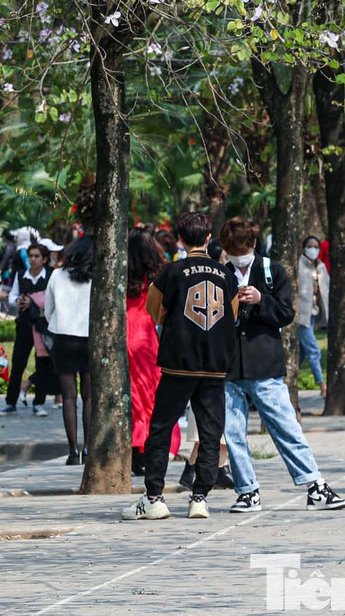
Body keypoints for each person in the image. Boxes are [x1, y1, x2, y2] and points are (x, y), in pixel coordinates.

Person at [217, 218, 345, 514]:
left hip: (264, 364)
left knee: (285, 427)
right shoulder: (220, 274)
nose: (237, 254)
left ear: (252, 244)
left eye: (241, 247)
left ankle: (315, 485)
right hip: (228, 367)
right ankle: (247, 491)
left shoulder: (270, 269)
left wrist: (261, 299)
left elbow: (286, 313)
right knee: (233, 433)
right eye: (231, 249)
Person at [123, 213, 238, 521]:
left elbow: (154, 310)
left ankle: (154, 498)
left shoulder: (171, 271)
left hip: (178, 365)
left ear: (181, 240)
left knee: (159, 429)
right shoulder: (226, 274)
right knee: (211, 433)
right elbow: (233, 312)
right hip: (214, 365)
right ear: (209, 237)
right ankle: (200, 497)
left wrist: (176, 323)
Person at [126, 229, 180, 476]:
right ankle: (153, 449)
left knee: (133, 398)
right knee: (151, 397)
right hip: (148, 339)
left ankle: (135, 451)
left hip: (124, 337)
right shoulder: (159, 275)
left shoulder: (121, 275)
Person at [45, 236, 94, 464]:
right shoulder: (97, 276)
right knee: (89, 396)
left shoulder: (57, 275)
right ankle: (89, 448)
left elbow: (48, 310)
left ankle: (73, 451)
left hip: (63, 338)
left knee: (68, 397)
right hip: (89, 338)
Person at [2, 242, 50, 415]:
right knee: (18, 363)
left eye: (37, 256)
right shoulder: (21, 275)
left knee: (43, 363)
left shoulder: (50, 276)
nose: (33, 259)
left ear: (44, 259)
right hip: (23, 324)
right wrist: (18, 301)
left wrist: (35, 303)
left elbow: (54, 299)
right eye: (31, 256)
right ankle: (10, 401)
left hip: (42, 326)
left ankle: (39, 403)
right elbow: (12, 295)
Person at [295, 235, 330, 398]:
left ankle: (286, 379)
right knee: (314, 350)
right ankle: (322, 385)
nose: (313, 249)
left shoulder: (321, 267)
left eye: (316, 246)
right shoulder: (297, 266)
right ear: (303, 248)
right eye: (310, 246)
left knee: (301, 353)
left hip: (314, 312)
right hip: (301, 316)